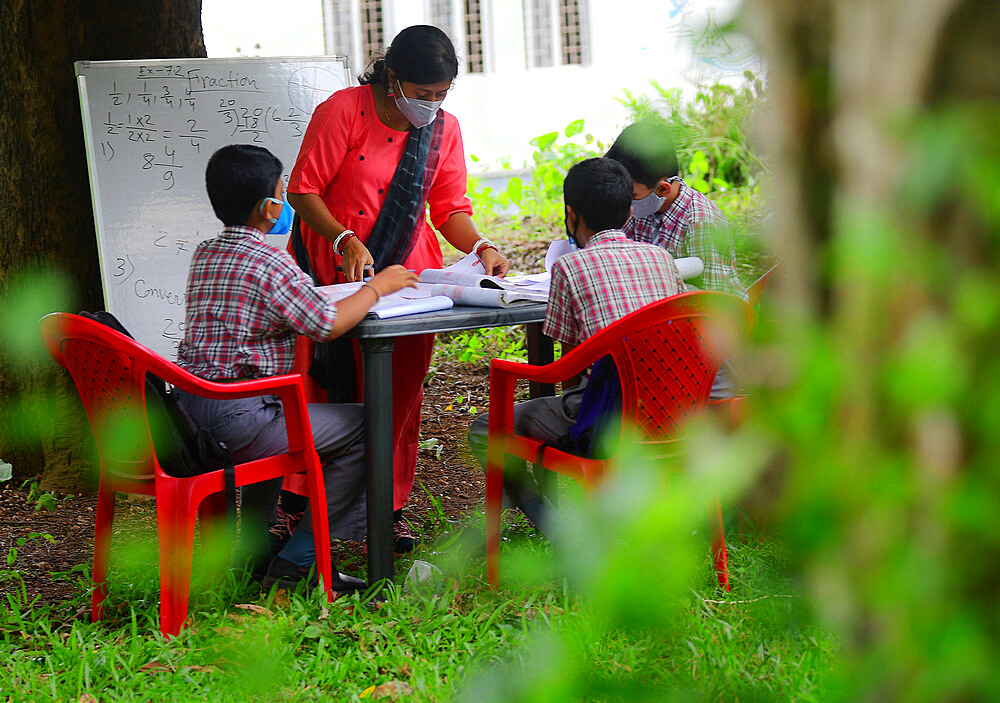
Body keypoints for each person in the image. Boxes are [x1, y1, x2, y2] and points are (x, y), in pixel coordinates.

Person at [286, 25, 510, 552]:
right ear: (393, 79)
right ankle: (300, 505)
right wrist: (343, 238)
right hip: (339, 268)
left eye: (441, 95)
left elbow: (451, 209)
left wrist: (480, 248)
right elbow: (303, 190)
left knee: (399, 393)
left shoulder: (443, 129)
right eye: (422, 94)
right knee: (324, 384)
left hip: (409, 279)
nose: (431, 106)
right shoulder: (344, 110)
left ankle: (385, 508)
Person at [174, 144, 418, 591]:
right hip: (242, 420)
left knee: (281, 425)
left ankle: (254, 557)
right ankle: (299, 560)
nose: (287, 202)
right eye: (283, 192)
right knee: (372, 424)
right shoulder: (270, 261)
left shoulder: (205, 253)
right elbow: (326, 323)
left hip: (193, 413)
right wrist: (378, 287)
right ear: (269, 207)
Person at [467, 157, 684, 535]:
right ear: (630, 209)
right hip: (675, 414)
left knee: (485, 430)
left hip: (608, 420)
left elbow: (569, 363)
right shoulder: (662, 258)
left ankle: (559, 532)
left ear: (571, 214)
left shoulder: (570, 267)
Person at [605, 121, 748, 300]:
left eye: (631, 194)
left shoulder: (700, 220)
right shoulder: (638, 209)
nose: (626, 201)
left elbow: (717, 295)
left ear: (662, 189)